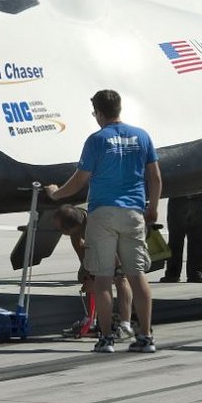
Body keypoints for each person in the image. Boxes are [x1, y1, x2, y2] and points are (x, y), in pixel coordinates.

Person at [45, 89, 161, 353]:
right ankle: (145, 336)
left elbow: (79, 179)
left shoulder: (97, 140)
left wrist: (56, 194)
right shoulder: (142, 136)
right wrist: (152, 208)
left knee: (103, 279)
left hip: (102, 214)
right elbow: (154, 177)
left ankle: (106, 338)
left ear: (97, 113)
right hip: (133, 212)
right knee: (136, 276)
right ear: (120, 108)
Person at [54, 203, 133, 338]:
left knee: (120, 276)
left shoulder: (97, 227)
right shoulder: (76, 219)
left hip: (123, 239)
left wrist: (95, 275)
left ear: (72, 227)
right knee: (89, 277)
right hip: (103, 241)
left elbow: (115, 258)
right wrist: (86, 269)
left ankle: (125, 325)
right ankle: (91, 321)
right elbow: (79, 244)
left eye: (62, 230)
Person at [160, 191, 202, 283]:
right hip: (178, 198)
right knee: (175, 239)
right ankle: (172, 273)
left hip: (200, 199)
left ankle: (196, 273)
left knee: (199, 238)